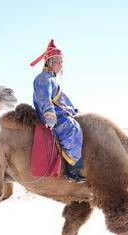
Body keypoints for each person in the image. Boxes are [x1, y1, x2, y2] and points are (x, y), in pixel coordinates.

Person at [30, 39, 85, 182]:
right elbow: (44, 99)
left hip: (59, 114)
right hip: (52, 118)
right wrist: (49, 115)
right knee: (72, 128)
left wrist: (73, 110)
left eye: (61, 61)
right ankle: (71, 169)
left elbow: (61, 101)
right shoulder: (43, 79)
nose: (60, 64)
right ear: (49, 62)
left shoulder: (51, 79)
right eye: (57, 61)